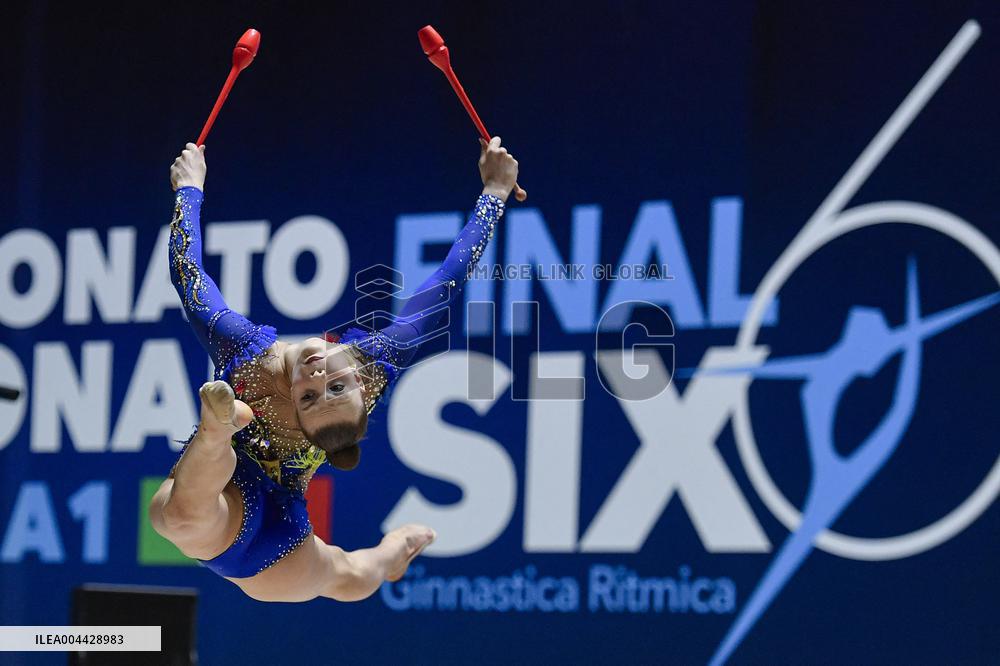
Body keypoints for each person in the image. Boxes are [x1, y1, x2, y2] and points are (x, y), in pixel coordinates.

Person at [149, 137, 519, 601]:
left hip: (280, 533)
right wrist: (494, 195)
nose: (317, 375)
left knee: (351, 577)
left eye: (308, 397)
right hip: (223, 499)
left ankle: (388, 555)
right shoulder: (375, 361)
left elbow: (189, 274)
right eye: (337, 386)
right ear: (361, 383)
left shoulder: (244, 357)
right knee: (178, 517)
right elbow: (447, 282)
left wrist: (188, 189)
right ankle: (216, 432)